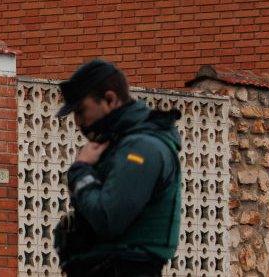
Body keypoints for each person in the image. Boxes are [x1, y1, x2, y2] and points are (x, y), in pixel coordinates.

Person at [52, 59, 182, 277]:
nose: (78, 121)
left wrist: (81, 171)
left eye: (82, 111)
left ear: (110, 100)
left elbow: (107, 218)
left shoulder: (141, 148)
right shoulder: (119, 143)